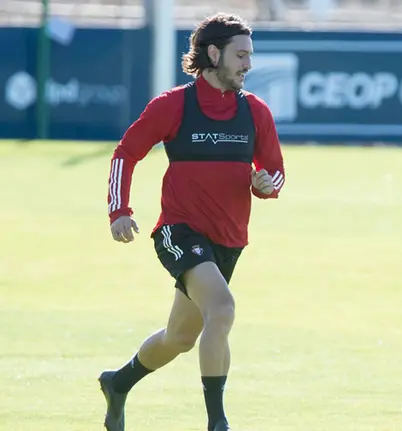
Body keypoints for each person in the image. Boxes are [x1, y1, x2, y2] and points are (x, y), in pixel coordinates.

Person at [99, 13, 285, 431]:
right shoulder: (173, 106)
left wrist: (265, 184)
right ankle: (217, 423)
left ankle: (118, 383)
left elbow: (276, 172)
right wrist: (119, 211)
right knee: (222, 308)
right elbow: (125, 153)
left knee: (180, 338)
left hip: (228, 241)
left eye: (250, 55)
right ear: (213, 53)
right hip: (178, 232)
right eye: (240, 55)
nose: (248, 64)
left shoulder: (255, 111)